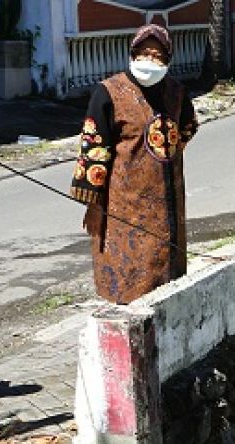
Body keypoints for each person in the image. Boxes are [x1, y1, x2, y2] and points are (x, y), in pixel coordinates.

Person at [70, 23, 198, 304]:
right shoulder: (109, 92)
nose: (149, 61)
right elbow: (94, 149)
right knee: (129, 282)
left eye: (157, 55)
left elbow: (188, 126)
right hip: (124, 206)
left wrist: (165, 158)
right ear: (132, 54)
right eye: (143, 53)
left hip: (167, 204)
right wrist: (94, 205)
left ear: (167, 60)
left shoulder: (176, 93)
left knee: (169, 281)